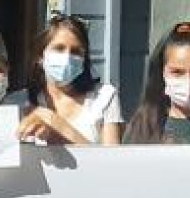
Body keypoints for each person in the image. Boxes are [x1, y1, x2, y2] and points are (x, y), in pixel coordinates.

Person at [14, 14, 123, 145]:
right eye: (59, 48)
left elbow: (112, 156)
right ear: (40, 57)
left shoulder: (104, 97)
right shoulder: (17, 102)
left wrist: (55, 123)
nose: (67, 57)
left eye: (76, 51)